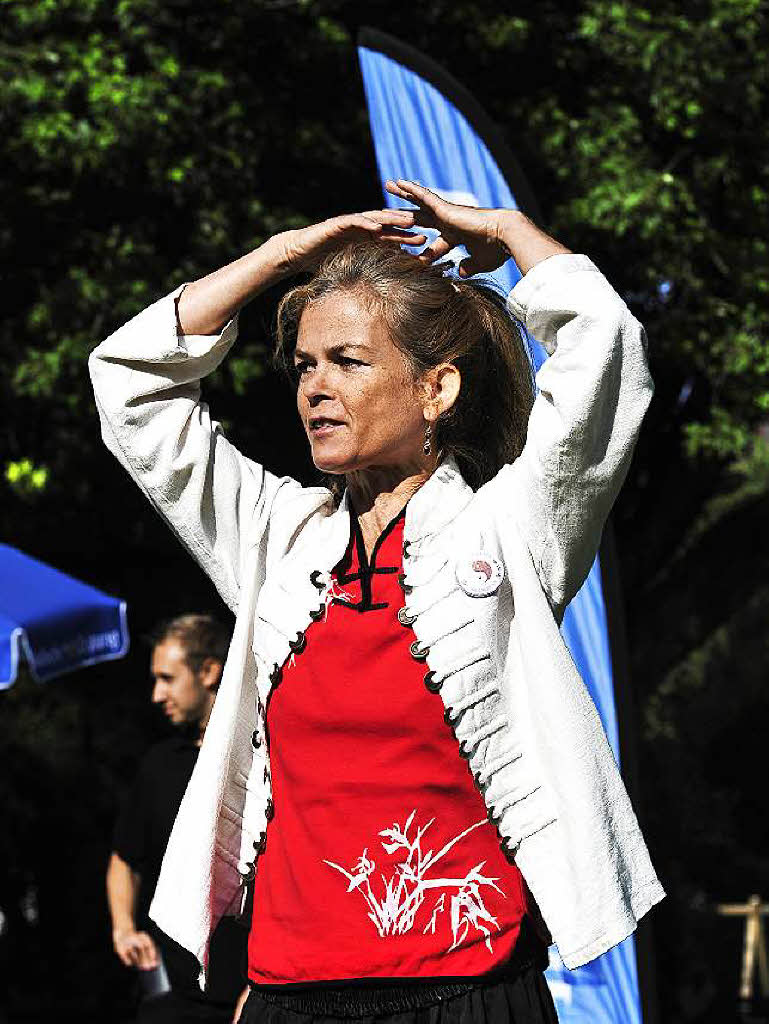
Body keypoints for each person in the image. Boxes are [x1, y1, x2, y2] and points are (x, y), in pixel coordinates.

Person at [91, 181, 665, 1024]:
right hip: (288, 996)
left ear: (436, 390)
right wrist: (282, 253)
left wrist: (508, 231)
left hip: (468, 992)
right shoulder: (272, 541)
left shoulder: (509, 530)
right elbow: (130, 385)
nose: (314, 388)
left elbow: (604, 346)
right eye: (305, 364)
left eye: (349, 361)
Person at [106, 614, 248, 1023]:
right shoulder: (158, 764)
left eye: (167, 678)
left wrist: (260, 988)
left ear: (208, 672)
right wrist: (123, 928)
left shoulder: (256, 761)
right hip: (165, 994)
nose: (156, 694)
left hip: (240, 997)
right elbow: (124, 860)